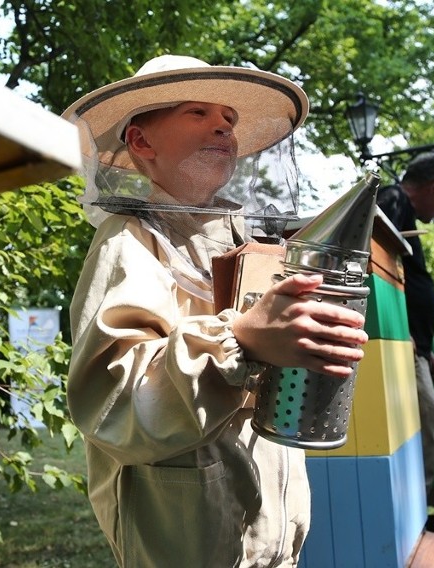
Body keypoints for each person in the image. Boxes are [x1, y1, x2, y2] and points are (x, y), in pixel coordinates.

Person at [61, 55, 369, 567]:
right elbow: (114, 399)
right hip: (184, 536)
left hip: (270, 530)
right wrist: (240, 340)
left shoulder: (244, 241)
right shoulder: (130, 242)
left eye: (228, 117)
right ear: (141, 141)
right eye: (197, 112)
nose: (223, 124)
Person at [375, 152, 434, 533]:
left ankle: (417, 515)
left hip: (412, 348)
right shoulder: (393, 200)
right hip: (398, 344)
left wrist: (426, 352)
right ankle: (417, 520)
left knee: (423, 419)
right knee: (425, 415)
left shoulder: (401, 208)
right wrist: (402, 335)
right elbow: (378, 263)